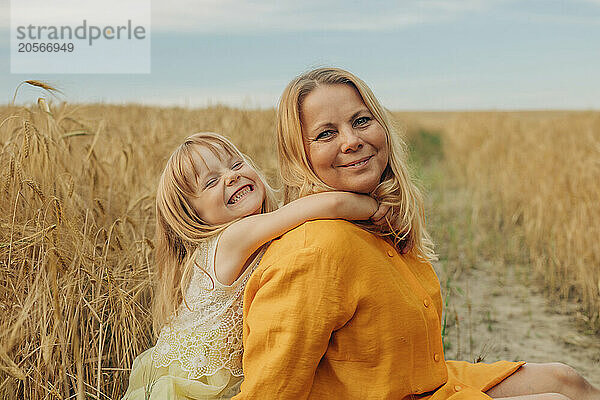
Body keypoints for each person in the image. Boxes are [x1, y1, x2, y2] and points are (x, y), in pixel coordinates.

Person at [232, 67, 600, 400]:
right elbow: (269, 391)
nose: (351, 141)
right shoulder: (314, 251)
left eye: (361, 121)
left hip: (425, 381)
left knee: (566, 380)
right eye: (326, 133)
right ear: (300, 155)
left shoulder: (378, 220)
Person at [120, 132, 391, 400]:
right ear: (193, 214)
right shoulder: (231, 239)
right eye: (212, 182)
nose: (232, 176)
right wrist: (374, 207)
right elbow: (328, 204)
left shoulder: (255, 233)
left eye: (236, 164)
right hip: (192, 387)